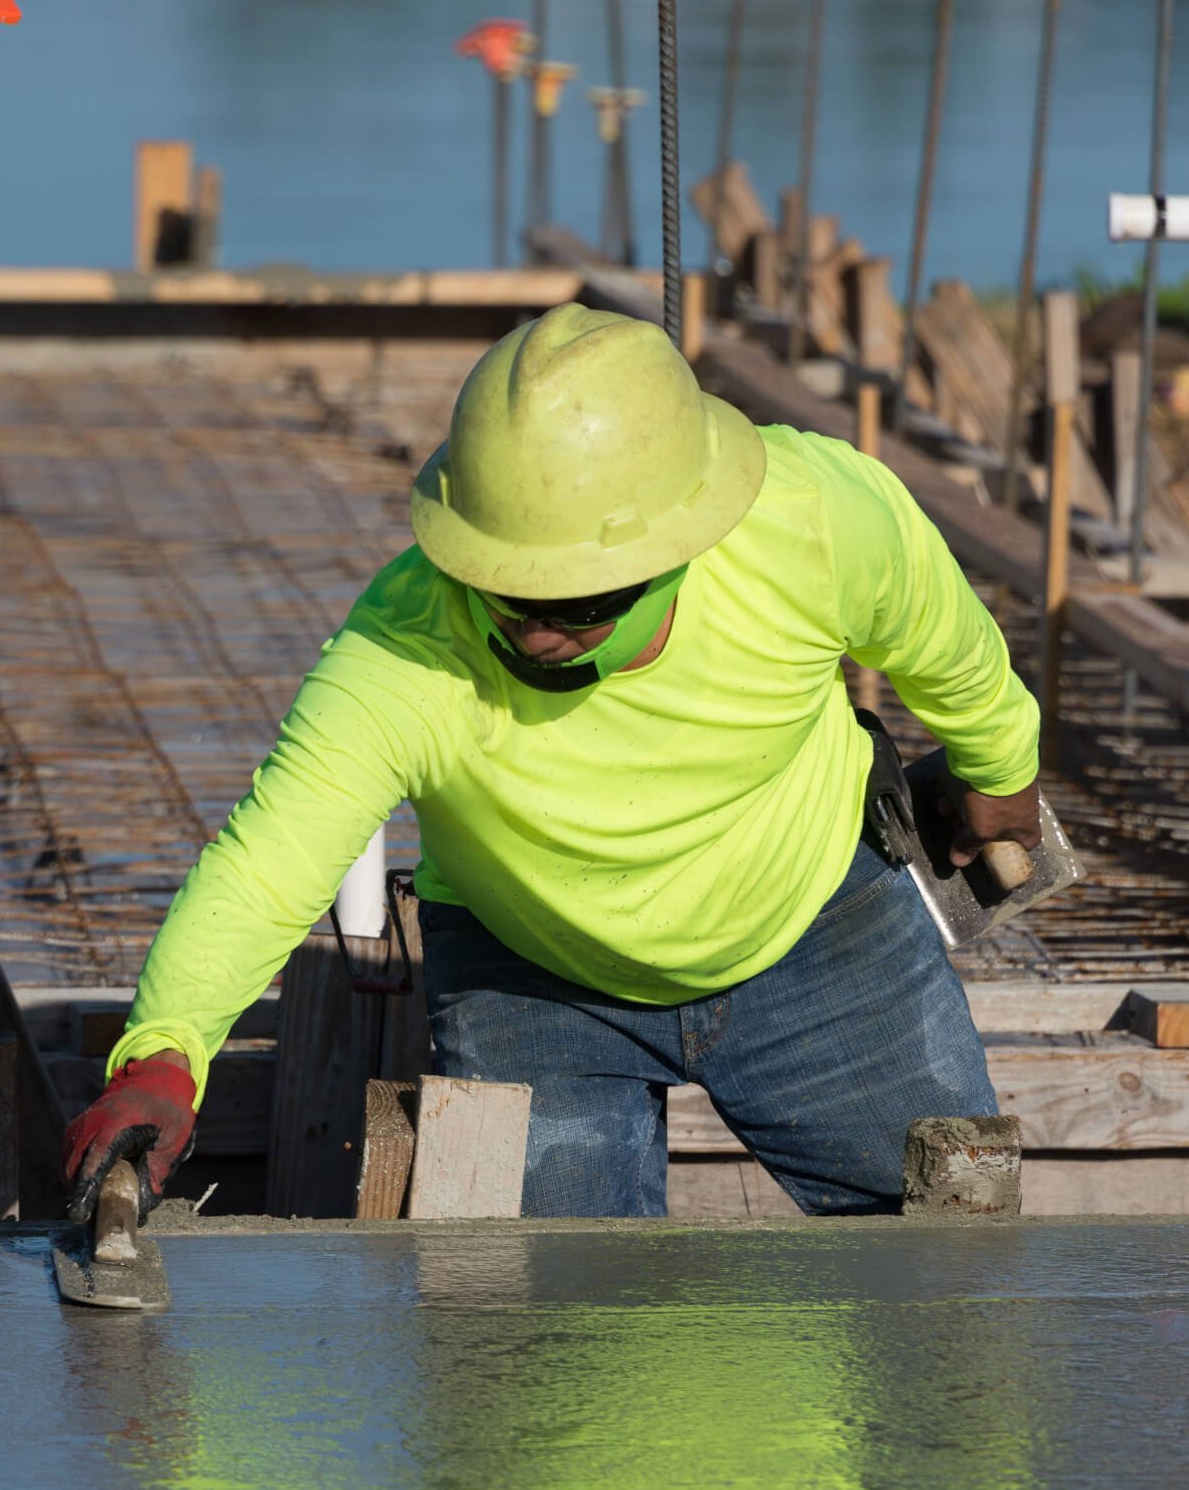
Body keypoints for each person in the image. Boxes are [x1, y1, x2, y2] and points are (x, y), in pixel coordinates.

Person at [61, 303, 1040, 1222]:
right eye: (508, 589)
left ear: (680, 541)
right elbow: (268, 863)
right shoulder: (404, 650)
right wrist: (163, 1053)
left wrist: (999, 773)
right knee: (552, 1346)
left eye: (579, 601)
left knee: (957, 1280)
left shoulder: (815, 520)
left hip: (820, 932)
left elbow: (945, 640)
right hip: (533, 977)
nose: (537, 631)